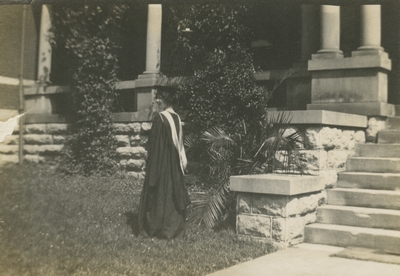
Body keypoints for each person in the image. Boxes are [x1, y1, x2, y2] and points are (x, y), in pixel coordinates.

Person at [138, 86, 191, 239]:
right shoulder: (176, 118)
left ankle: (156, 229)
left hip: (161, 163)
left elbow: (155, 146)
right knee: (172, 192)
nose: (157, 100)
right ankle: (173, 229)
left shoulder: (160, 118)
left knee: (160, 192)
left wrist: (151, 166)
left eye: (160, 98)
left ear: (167, 100)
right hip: (174, 165)